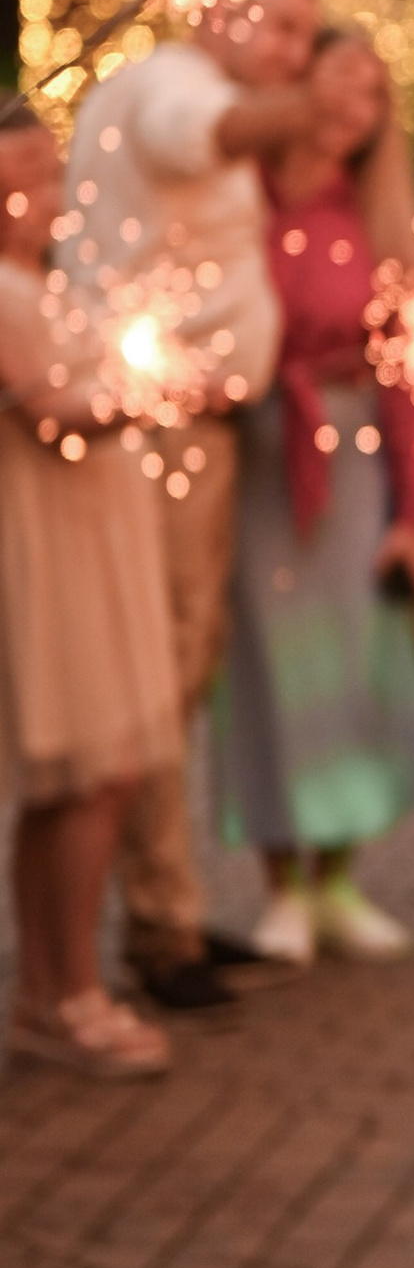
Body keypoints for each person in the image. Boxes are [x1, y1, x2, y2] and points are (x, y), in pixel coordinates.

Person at [57, 0, 318, 1011]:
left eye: (308, 36)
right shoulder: (175, 87)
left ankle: (166, 905)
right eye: (284, 30)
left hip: (186, 427)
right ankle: (159, 934)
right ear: (221, 12)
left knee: (175, 664)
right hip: (164, 432)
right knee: (157, 669)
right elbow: (197, 131)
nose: (296, 52)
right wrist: (306, 107)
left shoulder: (176, 85)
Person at [214, 28, 414, 963]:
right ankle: (279, 885)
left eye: (374, 91)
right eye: (340, 81)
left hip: (354, 454)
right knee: (268, 668)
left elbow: (408, 381)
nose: (356, 105)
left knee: (358, 663)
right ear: (300, 86)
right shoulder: (241, 202)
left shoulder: (380, 220)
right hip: (266, 449)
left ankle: (339, 878)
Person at [0, 98, 180, 1075]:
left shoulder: (54, 281)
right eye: (21, 177)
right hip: (50, 542)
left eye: (49, 171)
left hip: (95, 533)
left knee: (86, 774)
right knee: (88, 770)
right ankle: (67, 991)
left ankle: (48, 991)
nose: (43, 195)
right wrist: (143, 398)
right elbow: (48, 414)